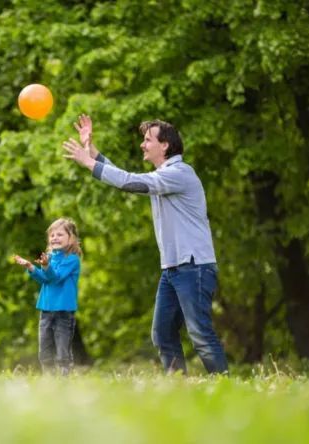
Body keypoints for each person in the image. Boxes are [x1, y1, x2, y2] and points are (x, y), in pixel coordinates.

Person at [62, 115, 228, 374]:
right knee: (162, 335)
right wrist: (91, 150)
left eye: (147, 140)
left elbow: (131, 182)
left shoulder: (179, 174)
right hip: (173, 269)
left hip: (194, 267)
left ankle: (224, 385)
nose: (142, 144)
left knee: (200, 335)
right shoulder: (163, 175)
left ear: (165, 146)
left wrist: (89, 163)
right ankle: (178, 388)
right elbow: (127, 177)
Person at [13, 217, 82, 375]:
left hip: (64, 312)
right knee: (44, 350)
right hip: (46, 310)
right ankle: (48, 380)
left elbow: (56, 277)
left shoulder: (72, 260)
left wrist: (45, 266)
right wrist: (30, 267)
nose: (55, 238)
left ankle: (64, 380)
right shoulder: (50, 258)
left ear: (71, 238)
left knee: (62, 352)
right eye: (52, 235)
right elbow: (45, 279)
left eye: (59, 234)